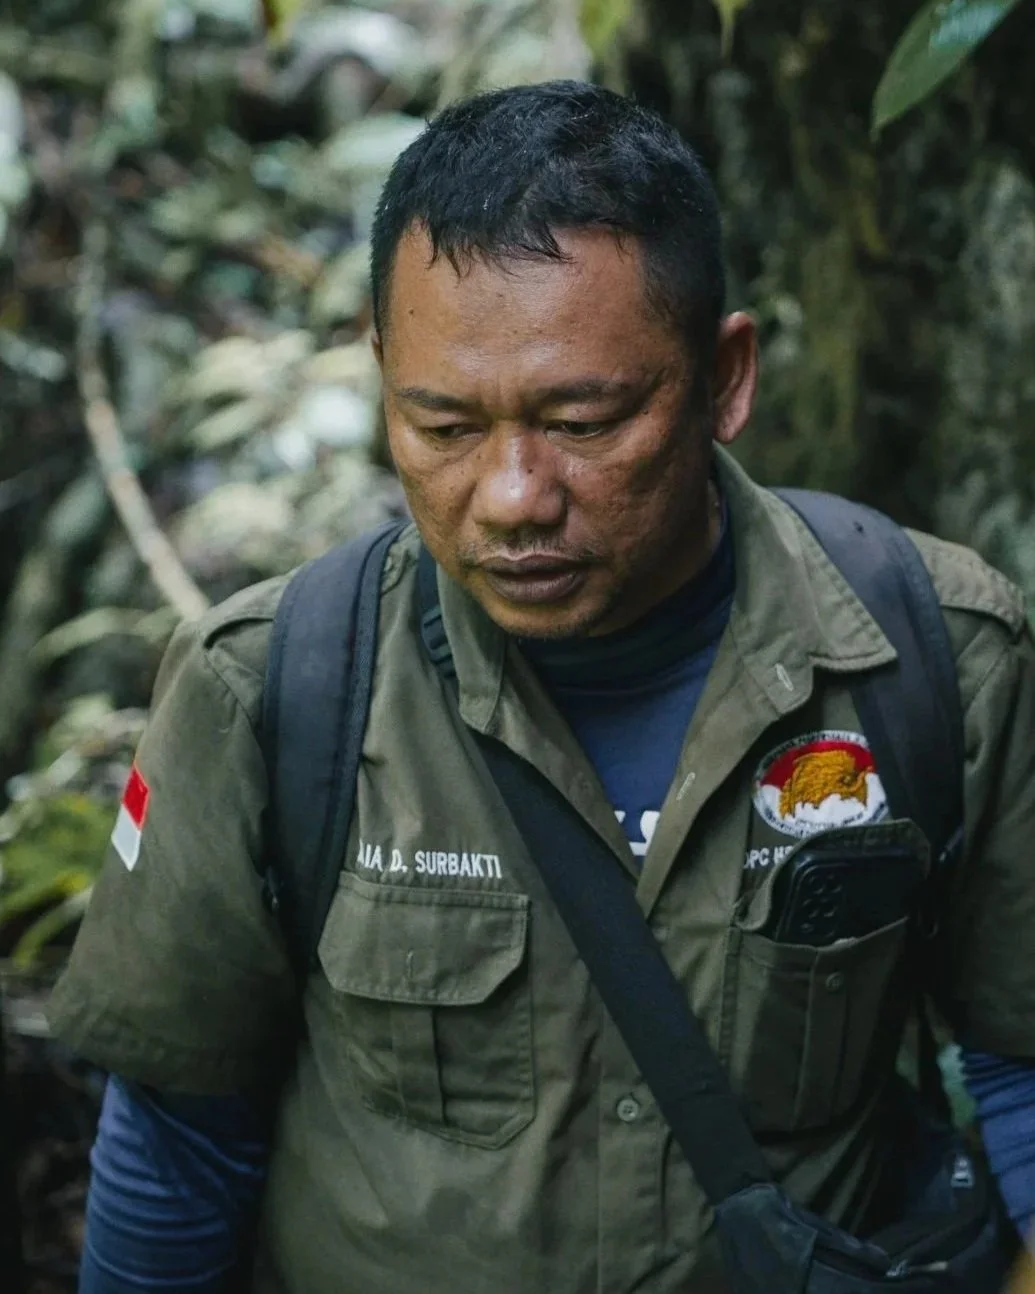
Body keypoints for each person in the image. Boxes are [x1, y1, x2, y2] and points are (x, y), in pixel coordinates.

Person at [47, 80, 1035, 1293]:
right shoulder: (270, 695)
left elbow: (1021, 1065)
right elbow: (180, 1145)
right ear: (383, 380)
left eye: (582, 421)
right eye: (444, 427)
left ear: (725, 378)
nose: (513, 496)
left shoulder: (935, 659)